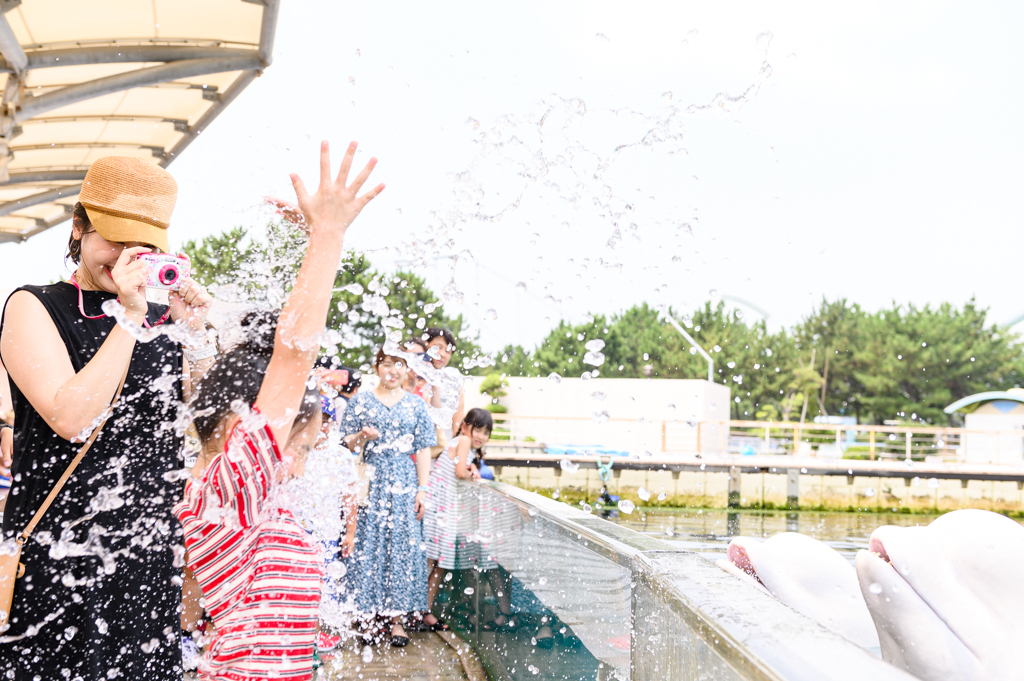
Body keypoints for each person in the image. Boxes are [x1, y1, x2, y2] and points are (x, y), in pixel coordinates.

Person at [175, 139, 383, 680]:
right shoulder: (230, 486)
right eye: (298, 444)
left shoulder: (243, 499)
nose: (296, 461)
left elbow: (276, 342)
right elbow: (292, 354)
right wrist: (328, 235)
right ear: (233, 425)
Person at [0, 157, 214, 679]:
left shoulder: (166, 319)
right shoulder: (35, 305)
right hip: (60, 554)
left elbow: (204, 416)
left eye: (141, 249)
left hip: (145, 552)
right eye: (113, 242)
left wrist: (199, 332)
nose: (123, 260)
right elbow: (71, 416)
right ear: (77, 229)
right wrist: (131, 315)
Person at [339, 349, 437, 646]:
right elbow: (345, 442)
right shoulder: (361, 400)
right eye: (386, 364)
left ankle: (397, 621)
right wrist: (361, 437)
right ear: (376, 368)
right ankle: (367, 618)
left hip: (405, 482)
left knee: (402, 547)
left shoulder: (416, 405)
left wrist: (422, 489)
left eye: (399, 365)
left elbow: (422, 449)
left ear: (407, 370)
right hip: (370, 479)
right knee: (368, 544)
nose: (392, 370)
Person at [424, 408, 493, 617]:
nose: (481, 436)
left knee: (435, 563)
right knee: (433, 562)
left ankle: (422, 610)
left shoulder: (461, 442)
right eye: (478, 430)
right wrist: (473, 474)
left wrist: (471, 468)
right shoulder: (463, 441)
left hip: (441, 506)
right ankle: (421, 611)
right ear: (465, 427)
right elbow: (459, 472)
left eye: (486, 432)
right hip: (440, 507)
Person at [423, 327, 465, 440]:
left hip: (442, 446)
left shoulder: (452, 381)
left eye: (448, 351)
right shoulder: (411, 375)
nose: (442, 354)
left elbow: (457, 421)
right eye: (438, 347)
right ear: (425, 345)